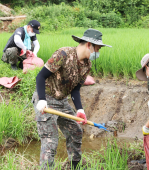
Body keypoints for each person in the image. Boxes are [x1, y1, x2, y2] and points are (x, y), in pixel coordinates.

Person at [32, 28, 111, 170]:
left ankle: (74, 166)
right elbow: (40, 76)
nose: (97, 53)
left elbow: (75, 89)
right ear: (88, 44)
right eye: (97, 49)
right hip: (46, 98)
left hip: (62, 101)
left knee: (76, 131)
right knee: (50, 140)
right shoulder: (63, 54)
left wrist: (80, 109)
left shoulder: (87, 65)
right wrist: (42, 100)